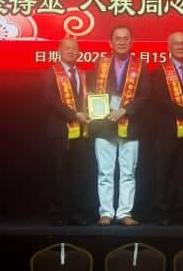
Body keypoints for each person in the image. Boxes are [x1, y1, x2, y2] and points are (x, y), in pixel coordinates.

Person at [91, 25, 151, 226]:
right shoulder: (100, 64)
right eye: (118, 38)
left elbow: (146, 96)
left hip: (130, 125)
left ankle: (125, 213)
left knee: (128, 172)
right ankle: (106, 213)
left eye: (126, 38)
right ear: (110, 42)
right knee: (105, 172)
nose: (122, 42)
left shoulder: (140, 66)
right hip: (104, 124)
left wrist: (125, 110)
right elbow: (91, 90)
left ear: (132, 42)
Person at [150, 32, 183, 226]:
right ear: (168, 46)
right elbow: (160, 100)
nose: (180, 47)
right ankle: (163, 212)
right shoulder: (160, 71)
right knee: (165, 171)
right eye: (176, 44)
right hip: (168, 129)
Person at [40, 37, 92, 226]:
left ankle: (76, 213)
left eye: (74, 48)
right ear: (59, 51)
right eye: (67, 48)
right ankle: (57, 214)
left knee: (79, 173)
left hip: (81, 131)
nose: (71, 51)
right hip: (59, 131)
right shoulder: (50, 73)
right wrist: (73, 115)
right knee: (58, 173)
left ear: (79, 52)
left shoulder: (83, 74)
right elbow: (50, 101)